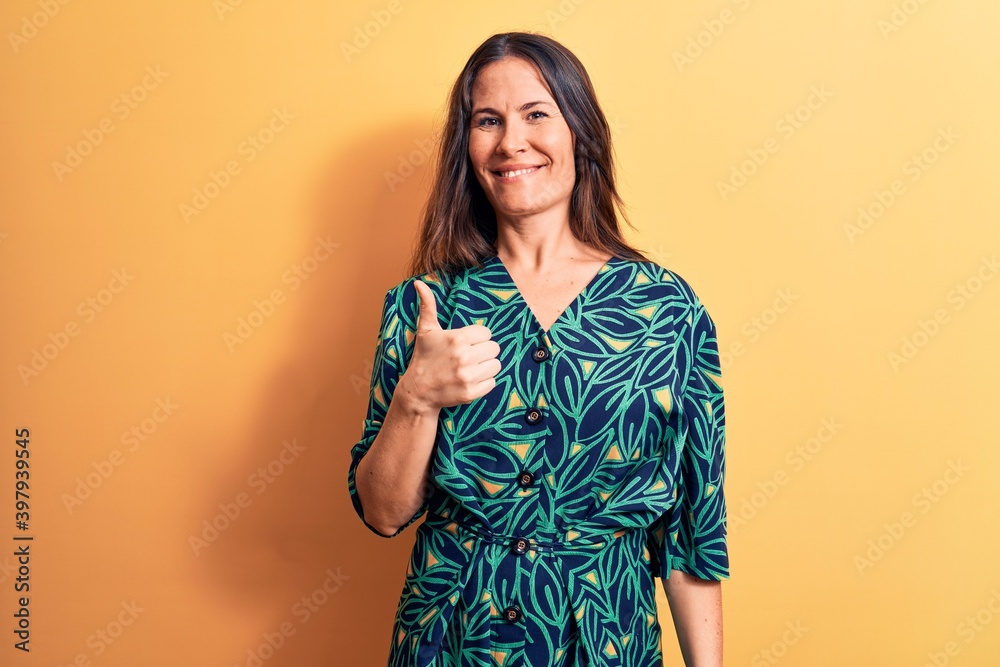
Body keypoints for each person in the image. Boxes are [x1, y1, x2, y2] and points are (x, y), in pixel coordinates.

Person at [348, 31, 728, 667]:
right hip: (452, 637)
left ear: (580, 133)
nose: (510, 143)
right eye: (487, 121)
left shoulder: (667, 312)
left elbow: (691, 534)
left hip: (607, 639)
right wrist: (416, 398)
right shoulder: (425, 307)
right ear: (465, 148)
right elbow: (383, 512)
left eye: (536, 114)